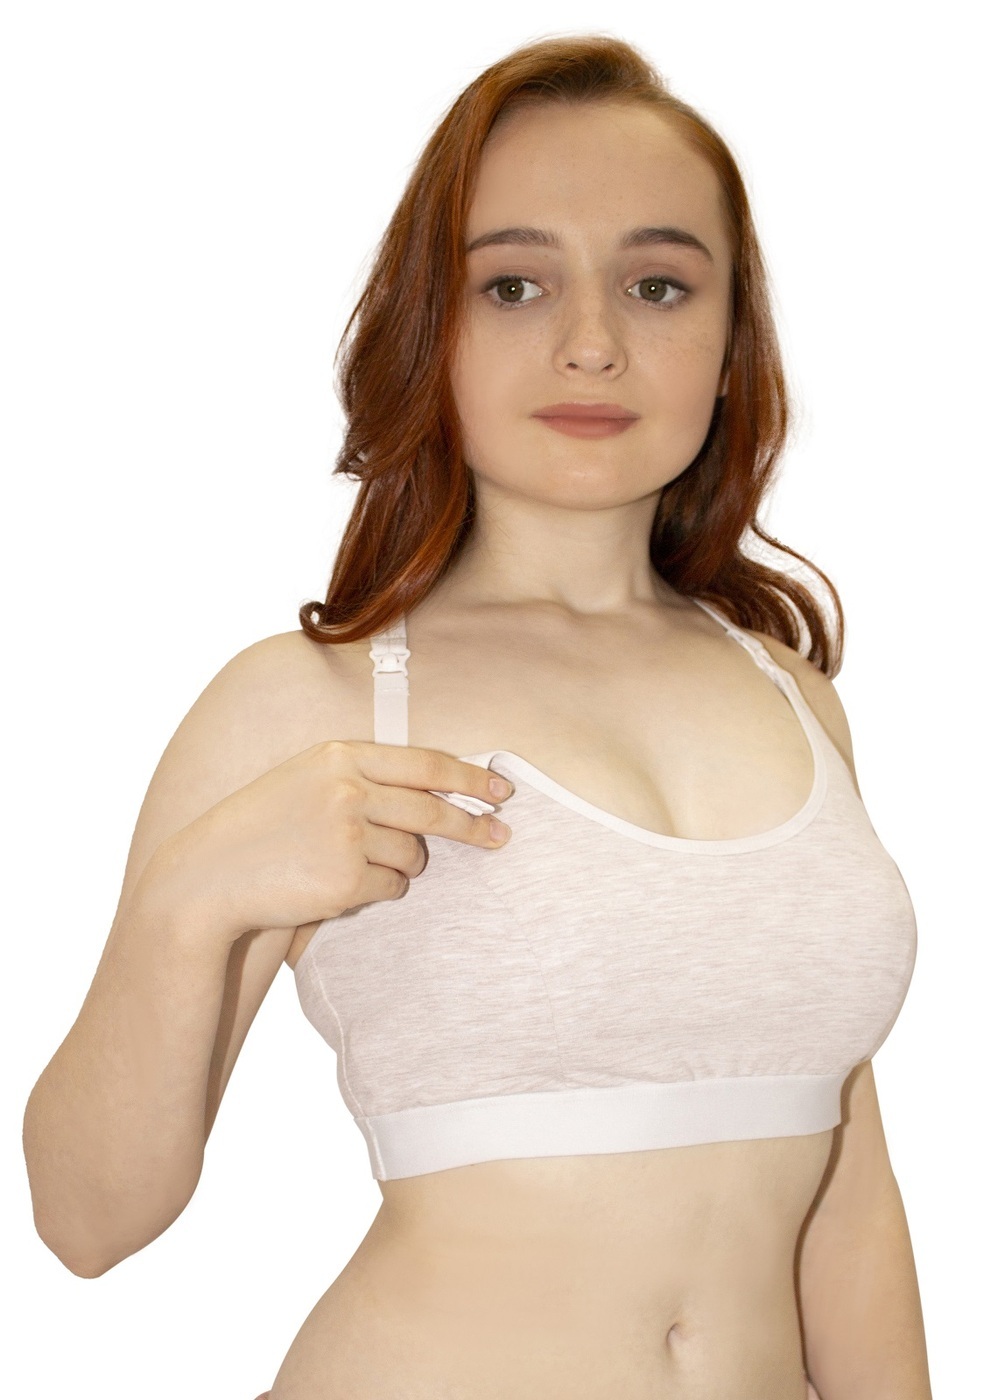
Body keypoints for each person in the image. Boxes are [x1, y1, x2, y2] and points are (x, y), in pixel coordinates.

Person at [23, 33, 932, 1400]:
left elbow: (846, 1191)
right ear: (429, 329)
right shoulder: (312, 700)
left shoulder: (788, 695)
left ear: (729, 342)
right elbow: (86, 1222)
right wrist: (189, 902)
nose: (591, 343)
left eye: (657, 285)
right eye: (513, 284)